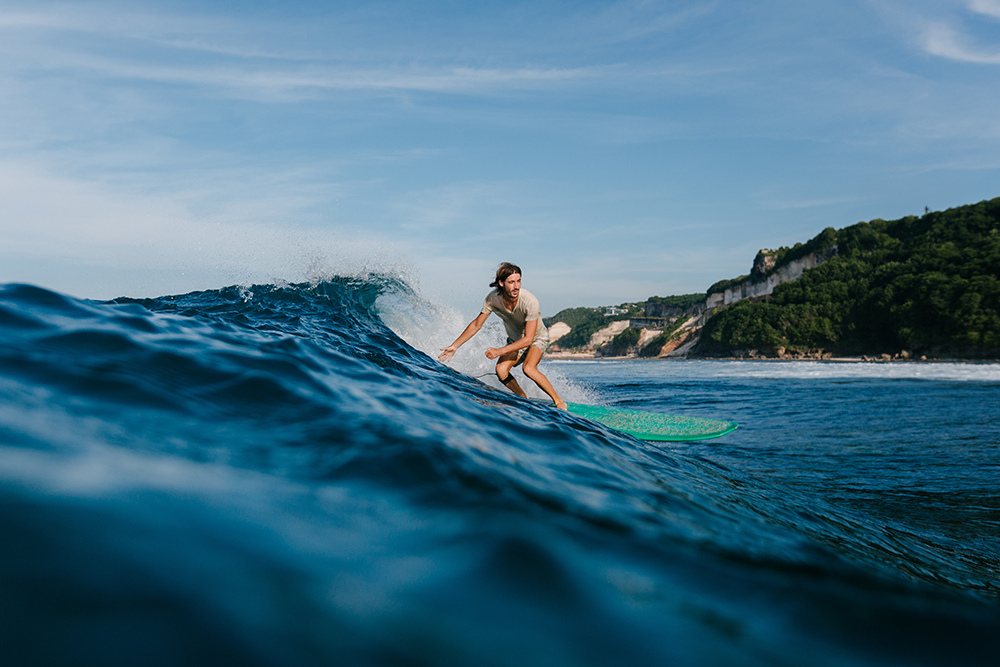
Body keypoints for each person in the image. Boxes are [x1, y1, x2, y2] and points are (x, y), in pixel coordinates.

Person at [439, 262, 567, 410]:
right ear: (501, 283)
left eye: (519, 281)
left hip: (537, 338)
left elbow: (528, 339)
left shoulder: (530, 301)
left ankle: (558, 401)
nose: (516, 286)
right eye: (511, 282)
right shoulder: (493, 299)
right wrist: (455, 346)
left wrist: (499, 351)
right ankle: (522, 397)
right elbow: (476, 324)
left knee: (529, 368)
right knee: (501, 370)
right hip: (515, 340)